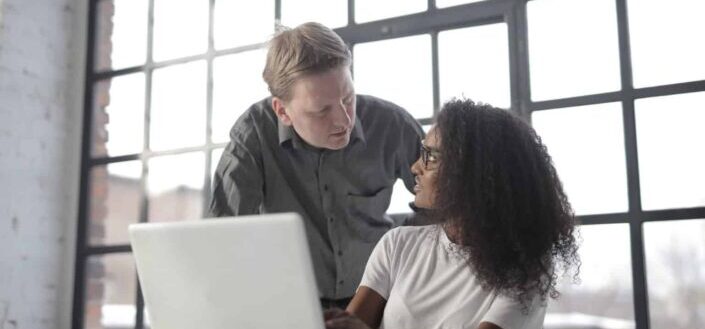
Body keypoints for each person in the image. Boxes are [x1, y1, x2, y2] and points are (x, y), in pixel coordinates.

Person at [208, 22, 424, 310]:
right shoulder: (253, 135)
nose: (344, 121)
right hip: (290, 304)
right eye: (322, 110)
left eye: (348, 99)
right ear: (282, 111)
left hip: (381, 297)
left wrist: (407, 247)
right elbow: (225, 238)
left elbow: (449, 200)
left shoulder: (391, 125)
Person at [324, 98, 580, 329]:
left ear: (475, 173)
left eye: (430, 157)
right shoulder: (397, 245)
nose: (415, 167)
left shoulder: (524, 271)